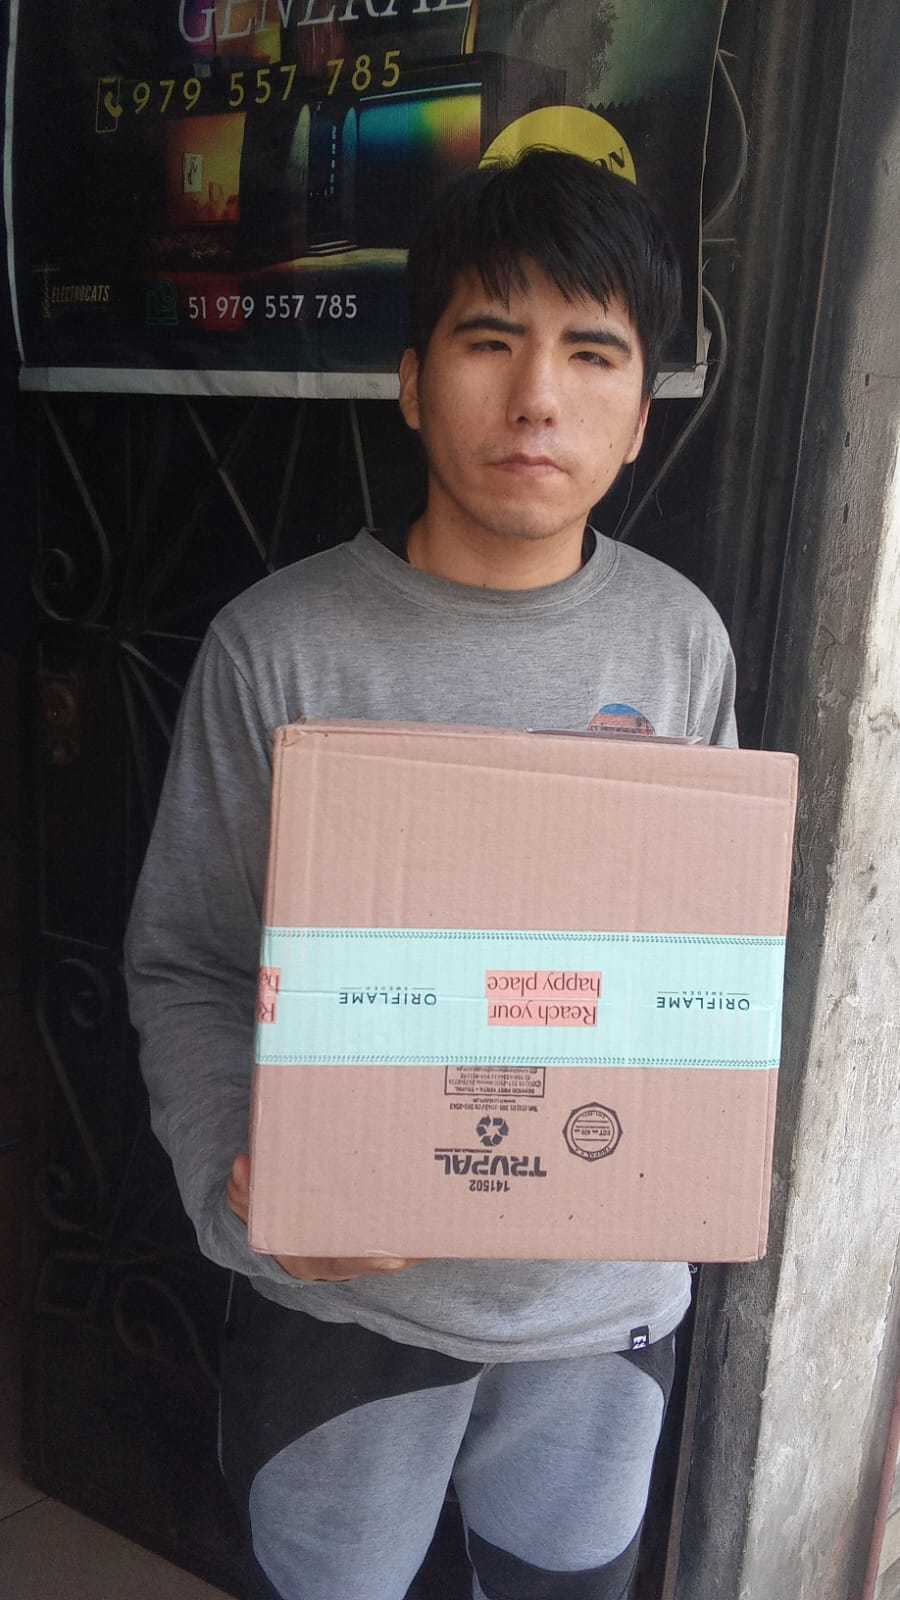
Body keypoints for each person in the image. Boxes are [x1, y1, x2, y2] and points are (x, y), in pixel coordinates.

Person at [124, 148, 737, 1600]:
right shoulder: (280, 649)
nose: (537, 397)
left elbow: (704, 958)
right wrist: (242, 1185)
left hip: (598, 1302)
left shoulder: (682, 642)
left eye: (591, 354)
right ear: (410, 383)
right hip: (345, 1304)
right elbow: (189, 960)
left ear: (639, 419)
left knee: (563, 1583)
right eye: (488, 341)